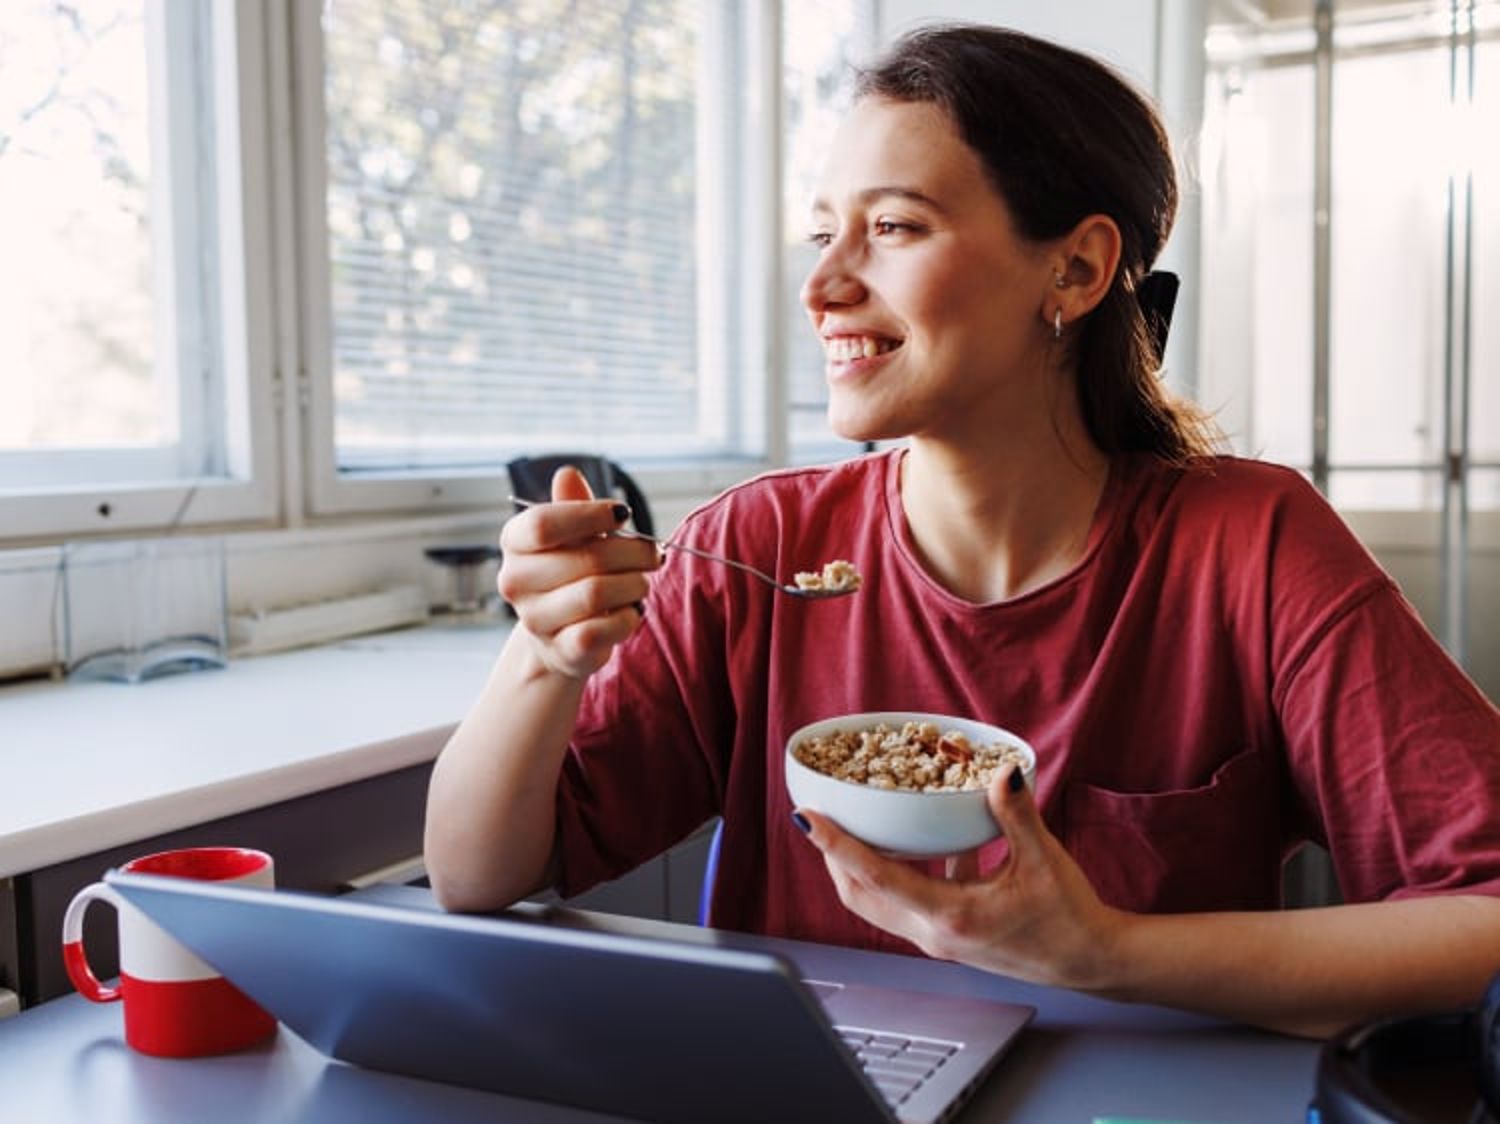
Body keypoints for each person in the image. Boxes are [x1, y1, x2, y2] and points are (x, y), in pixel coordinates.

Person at [424, 23, 1500, 1039]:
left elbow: (1486, 910)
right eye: (822, 232)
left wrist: (1107, 949)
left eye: (891, 227)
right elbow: (479, 873)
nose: (823, 284)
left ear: (1073, 270)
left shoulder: (1252, 546)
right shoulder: (759, 544)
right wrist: (546, 649)